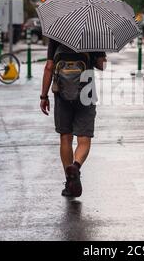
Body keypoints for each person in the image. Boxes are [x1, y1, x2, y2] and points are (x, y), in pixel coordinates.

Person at [40, 40, 107, 198]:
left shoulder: (57, 34)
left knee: (65, 137)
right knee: (84, 138)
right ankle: (76, 167)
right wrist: (100, 54)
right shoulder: (93, 35)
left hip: (62, 93)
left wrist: (44, 96)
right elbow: (102, 66)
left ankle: (69, 182)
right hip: (87, 93)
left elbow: (49, 67)